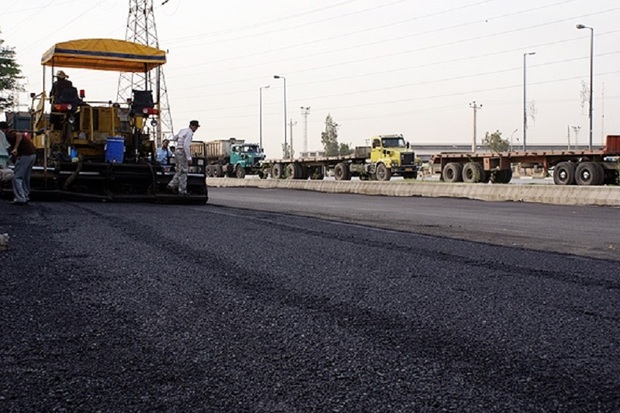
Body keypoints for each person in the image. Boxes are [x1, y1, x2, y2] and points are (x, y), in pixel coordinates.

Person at [0, 121, 36, 205]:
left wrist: (15, 148)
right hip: (32, 154)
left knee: (16, 177)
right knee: (25, 177)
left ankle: (20, 198)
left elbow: (19, 135)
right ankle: (25, 196)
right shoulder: (9, 133)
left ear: (2, 129)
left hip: (25, 155)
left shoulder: (8, 133)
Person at [167, 120, 199, 195]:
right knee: (184, 171)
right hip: (182, 152)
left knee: (180, 170)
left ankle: (172, 185)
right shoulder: (189, 133)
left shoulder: (182, 130)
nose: (196, 129)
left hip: (177, 151)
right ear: (193, 126)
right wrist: (189, 158)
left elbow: (175, 138)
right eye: (196, 127)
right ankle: (182, 190)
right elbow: (186, 146)